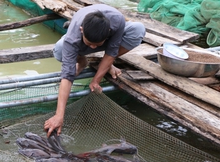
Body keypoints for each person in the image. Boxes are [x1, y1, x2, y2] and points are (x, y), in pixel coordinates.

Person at [44, 4, 146, 137]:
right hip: (79, 41)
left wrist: (96, 80)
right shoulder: (74, 37)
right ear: (82, 30)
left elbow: (112, 49)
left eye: (96, 45)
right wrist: (59, 115)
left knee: (138, 29)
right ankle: (83, 62)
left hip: (109, 39)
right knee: (59, 50)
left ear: (109, 32)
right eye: (89, 43)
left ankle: (106, 64)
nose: (92, 48)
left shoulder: (117, 21)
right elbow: (67, 77)